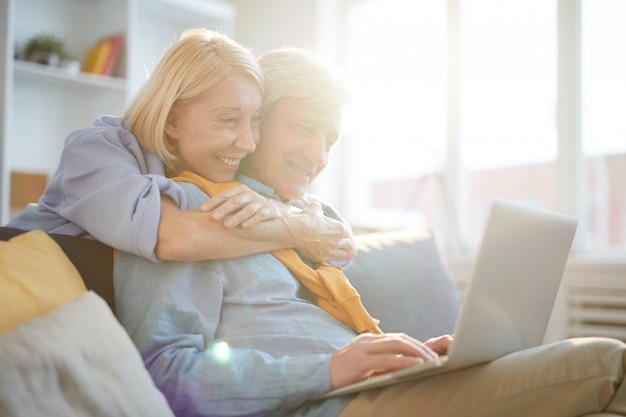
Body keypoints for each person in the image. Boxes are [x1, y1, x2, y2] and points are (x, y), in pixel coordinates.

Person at [115, 45, 626, 417]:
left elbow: (326, 278)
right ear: (254, 122)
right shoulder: (190, 212)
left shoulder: (303, 229)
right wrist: (333, 369)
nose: (318, 158)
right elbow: (165, 374)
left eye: (330, 139)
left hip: (372, 391)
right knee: (605, 363)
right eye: (303, 128)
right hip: (329, 406)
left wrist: (411, 357)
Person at [5, 29, 354, 264]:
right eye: (229, 119)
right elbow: (174, 238)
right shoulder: (95, 152)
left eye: (254, 120)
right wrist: (299, 230)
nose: (248, 142)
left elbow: (340, 243)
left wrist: (285, 212)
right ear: (172, 120)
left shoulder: (220, 167)